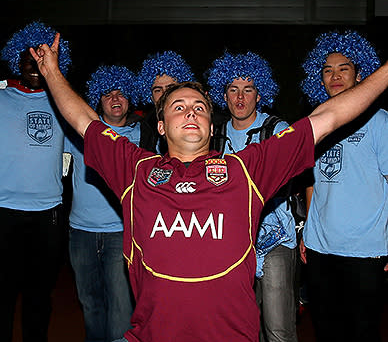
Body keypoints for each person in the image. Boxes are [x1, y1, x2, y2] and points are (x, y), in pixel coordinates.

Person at [30, 32, 388, 342]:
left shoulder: (247, 170)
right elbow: (84, 121)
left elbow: (326, 118)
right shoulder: (134, 170)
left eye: (199, 107)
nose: (190, 112)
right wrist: (51, 73)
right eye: (178, 107)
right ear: (160, 126)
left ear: (210, 125)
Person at [299, 30, 388, 342]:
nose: (334, 76)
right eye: (327, 70)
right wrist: (308, 233)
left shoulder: (381, 122)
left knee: (363, 333)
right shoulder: (315, 121)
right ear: (319, 78)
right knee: (326, 332)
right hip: (320, 249)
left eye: (343, 68)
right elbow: (311, 180)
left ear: (361, 74)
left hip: (367, 252)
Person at [207, 51, 299, 342]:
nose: (240, 97)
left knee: (278, 330)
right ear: (224, 94)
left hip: (274, 240)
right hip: (231, 244)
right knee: (240, 329)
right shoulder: (215, 135)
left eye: (248, 90)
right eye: (233, 89)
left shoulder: (278, 131)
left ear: (260, 94)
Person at [0, 22, 71, 342]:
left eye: (40, 58)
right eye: (27, 58)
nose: (33, 65)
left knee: (39, 296)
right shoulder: (0, 98)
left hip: (49, 215)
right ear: (17, 60)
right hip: (3, 212)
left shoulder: (63, 103)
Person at [66, 65, 139, 342]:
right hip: (80, 232)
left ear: (130, 98)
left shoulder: (140, 137)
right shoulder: (80, 133)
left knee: (121, 309)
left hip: (121, 234)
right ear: (98, 99)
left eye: (121, 93)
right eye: (108, 94)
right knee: (90, 305)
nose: (115, 99)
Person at [135, 50, 195, 152]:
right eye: (158, 90)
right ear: (151, 97)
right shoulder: (144, 128)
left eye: (170, 88)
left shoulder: (197, 119)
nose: (164, 94)